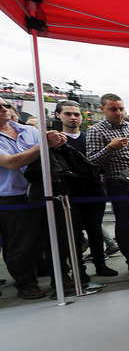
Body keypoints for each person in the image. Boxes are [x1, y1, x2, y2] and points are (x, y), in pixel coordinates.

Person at [0, 97, 68, 298]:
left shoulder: (29, 130)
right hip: (13, 198)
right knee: (19, 245)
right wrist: (44, 145)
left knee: (55, 238)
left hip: (43, 192)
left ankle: (61, 275)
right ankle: (26, 283)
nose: (4, 109)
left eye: (5, 105)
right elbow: (12, 163)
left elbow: (46, 154)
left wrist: (55, 144)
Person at [86, 93, 129, 276]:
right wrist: (110, 148)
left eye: (121, 108)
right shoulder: (96, 131)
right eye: (113, 109)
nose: (118, 112)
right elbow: (92, 163)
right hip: (118, 183)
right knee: (123, 224)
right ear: (102, 109)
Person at [55, 100, 117, 278]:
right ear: (58, 115)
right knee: (73, 234)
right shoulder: (56, 140)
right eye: (68, 114)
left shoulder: (89, 138)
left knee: (95, 230)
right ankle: (78, 269)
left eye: (77, 114)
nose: (73, 117)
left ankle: (100, 264)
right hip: (68, 194)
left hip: (93, 190)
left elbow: (101, 162)